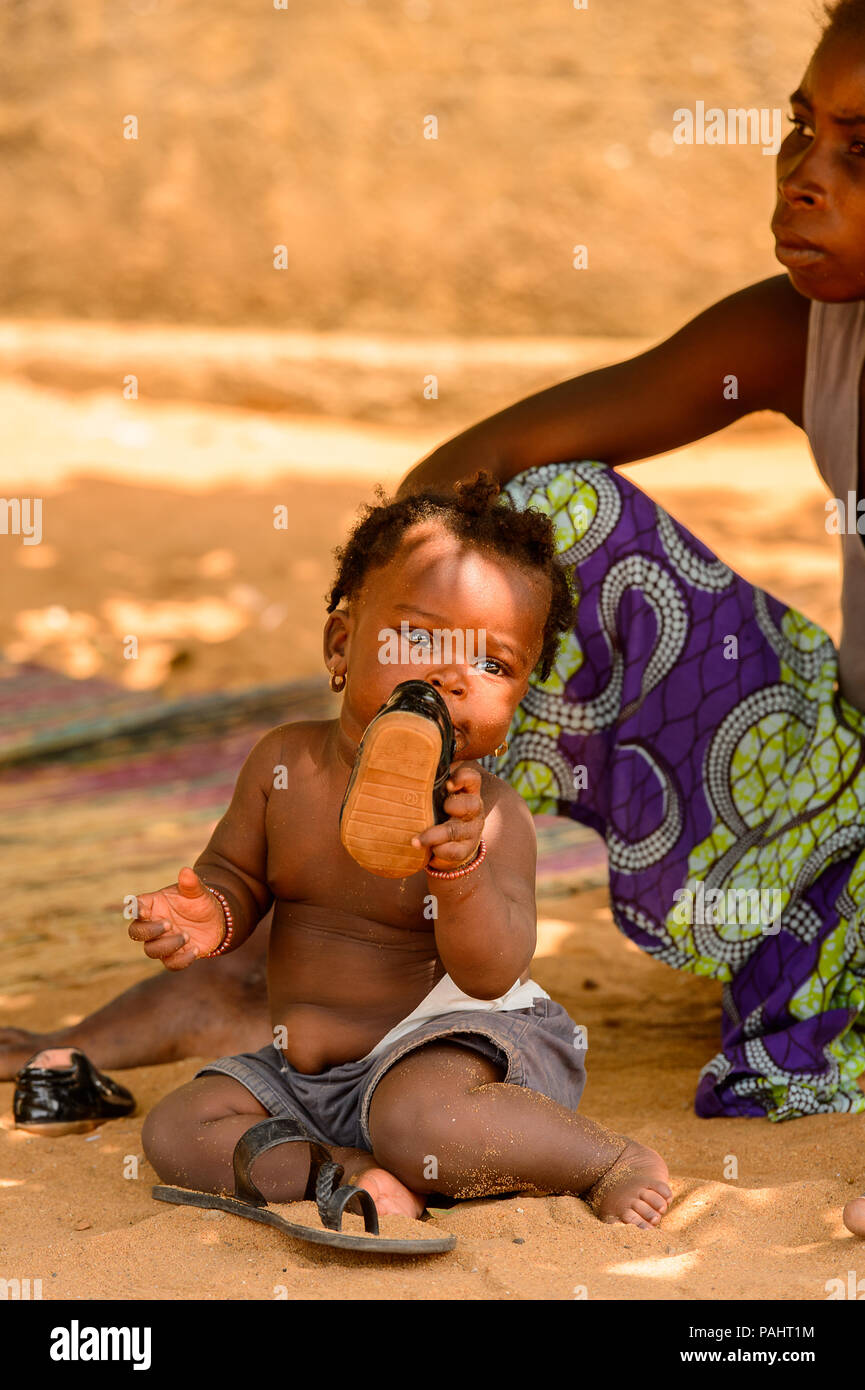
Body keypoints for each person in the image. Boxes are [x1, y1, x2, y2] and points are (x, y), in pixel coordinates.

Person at [4, 0, 865, 1134]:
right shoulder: (799, 330)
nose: (801, 175)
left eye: (859, 150)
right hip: (825, 783)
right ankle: (304, 948)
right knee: (534, 522)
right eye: (799, 128)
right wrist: (386, 648)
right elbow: (461, 482)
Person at [125, 476, 669, 1227]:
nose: (450, 674)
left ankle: (606, 1159)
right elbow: (237, 878)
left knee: (422, 1123)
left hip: (452, 1052)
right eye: (418, 637)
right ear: (341, 645)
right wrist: (206, 912)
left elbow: (490, 974)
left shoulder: (489, 817)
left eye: (492, 664)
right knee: (179, 1128)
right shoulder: (283, 767)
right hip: (307, 1076)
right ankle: (348, 1170)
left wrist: (460, 873)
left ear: (515, 706)